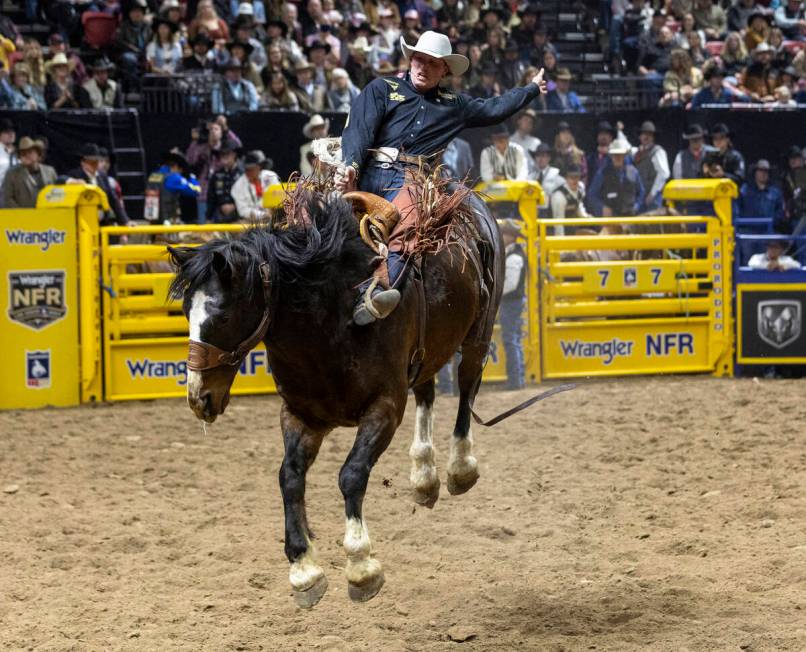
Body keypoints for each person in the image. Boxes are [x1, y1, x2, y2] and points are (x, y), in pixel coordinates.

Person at [334, 31, 546, 326]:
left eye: (433, 63)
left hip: (411, 178)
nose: (423, 67)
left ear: (445, 69)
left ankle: (378, 290)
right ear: (411, 60)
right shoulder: (382, 88)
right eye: (419, 60)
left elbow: (495, 108)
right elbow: (359, 127)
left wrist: (532, 89)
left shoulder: (454, 104)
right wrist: (351, 166)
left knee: (410, 216)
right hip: (367, 170)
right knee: (317, 217)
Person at [65, 143, 129, 226]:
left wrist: (125, 221)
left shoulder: (102, 176)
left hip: (103, 223)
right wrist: (71, 181)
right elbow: (60, 179)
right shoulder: (74, 175)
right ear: (83, 162)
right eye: (91, 162)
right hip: (82, 224)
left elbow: (113, 199)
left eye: (96, 161)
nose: (94, 165)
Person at [498, 219, 527, 390]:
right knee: (514, 339)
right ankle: (517, 378)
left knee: (510, 339)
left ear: (510, 237)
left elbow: (510, 285)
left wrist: (496, 294)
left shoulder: (514, 256)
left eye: (503, 233)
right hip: (513, 302)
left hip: (511, 302)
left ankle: (515, 380)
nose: (501, 236)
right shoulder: (513, 254)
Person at [588, 141, 645, 216]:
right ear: (611, 156)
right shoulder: (602, 173)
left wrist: (636, 206)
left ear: (624, 155)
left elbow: (641, 192)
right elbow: (592, 194)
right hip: (611, 217)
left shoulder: (633, 172)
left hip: (630, 216)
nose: (618, 157)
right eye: (615, 155)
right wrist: (602, 207)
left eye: (620, 155)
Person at [144, 150, 201, 223]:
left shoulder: (153, 175)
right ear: (176, 167)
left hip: (152, 221)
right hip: (167, 222)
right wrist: (191, 177)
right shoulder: (174, 178)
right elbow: (196, 190)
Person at [626, 121, 670, 211]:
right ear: (640, 136)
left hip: (654, 197)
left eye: (649, 134)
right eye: (644, 134)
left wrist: (652, 194)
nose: (646, 136)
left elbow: (664, 174)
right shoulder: (637, 152)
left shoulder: (658, 151)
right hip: (640, 197)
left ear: (653, 137)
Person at [1, 137, 56, 209]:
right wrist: (23, 215)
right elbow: (7, 199)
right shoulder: (11, 174)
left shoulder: (50, 171)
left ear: (38, 154)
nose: (26, 155)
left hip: (48, 215)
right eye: (23, 154)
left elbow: (57, 194)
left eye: (30, 152)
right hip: (23, 218)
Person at [231, 150, 280, 221]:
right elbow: (243, 210)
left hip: (274, 216)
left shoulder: (271, 177)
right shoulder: (238, 186)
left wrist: (271, 212)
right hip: (251, 220)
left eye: (251, 168)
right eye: (247, 169)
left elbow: (279, 198)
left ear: (259, 167)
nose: (248, 171)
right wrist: (261, 215)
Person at [739, 159, 785, 224]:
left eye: (766, 171)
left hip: (769, 230)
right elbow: (737, 208)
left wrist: (772, 221)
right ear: (755, 172)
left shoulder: (776, 192)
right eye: (760, 170)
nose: (763, 173)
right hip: (747, 230)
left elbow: (780, 212)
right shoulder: (745, 189)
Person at [206, 145, 241, 223]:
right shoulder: (216, 175)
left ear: (234, 155)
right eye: (222, 154)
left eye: (227, 154)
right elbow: (211, 198)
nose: (224, 157)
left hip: (239, 217)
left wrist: (235, 206)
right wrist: (208, 218)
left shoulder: (242, 174)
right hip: (220, 217)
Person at [550, 163, 588, 234]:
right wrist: (561, 242)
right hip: (552, 231)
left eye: (576, 177)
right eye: (571, 177)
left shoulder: (580, 190)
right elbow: (558, 222)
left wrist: (588, 218)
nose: (574, 180)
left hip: (571, 228)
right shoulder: (559, 196)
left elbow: (579, 207)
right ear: (566, 178)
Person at [530, 143, 563, 215]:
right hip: (533, 210)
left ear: (549, 158)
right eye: (538, 156)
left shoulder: (555, 174)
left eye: (543, 156)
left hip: (549, 211)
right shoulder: (530, 177)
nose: (540, 159)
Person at [0, 118, 17, 204]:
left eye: (12, 131)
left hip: (17, 194)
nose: (11, 134)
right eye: (6, 132)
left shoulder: (19, 153)